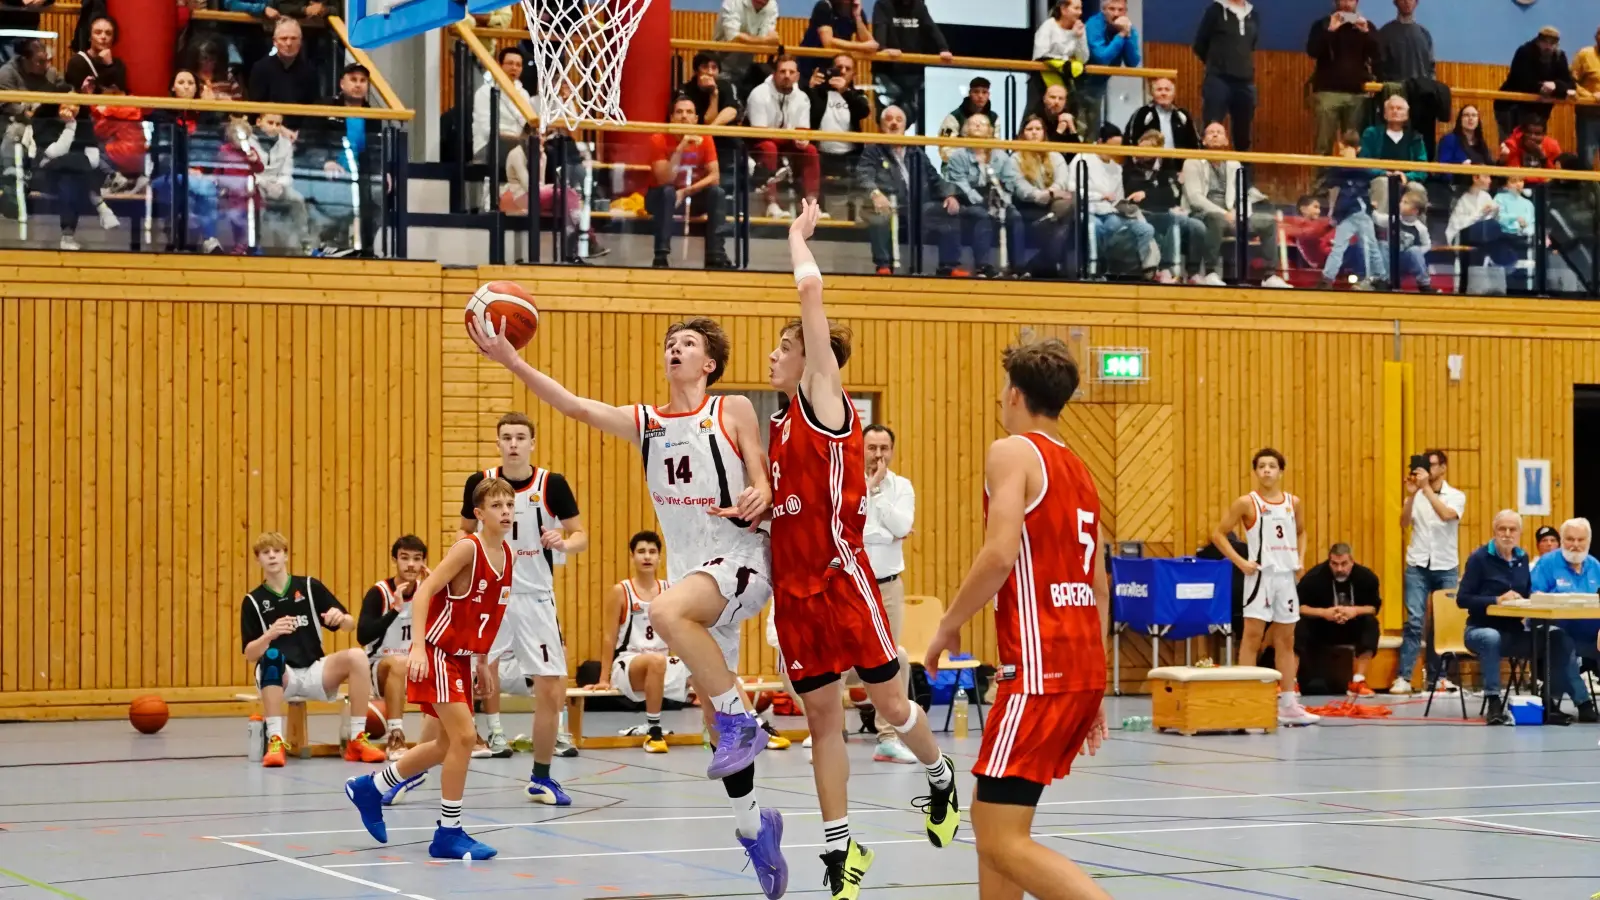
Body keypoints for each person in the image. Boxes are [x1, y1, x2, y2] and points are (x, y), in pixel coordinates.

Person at [466, 310, 787, 898]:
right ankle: (754, 825)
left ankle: (745, 718)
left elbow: (762, 475)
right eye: (669, 342)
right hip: (695, 573)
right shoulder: (646, 422)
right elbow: (574, 406)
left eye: (686, 343)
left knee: (663, 613)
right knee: (715, 725)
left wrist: (761, 491)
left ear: (708, 362)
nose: (674, 348)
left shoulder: (732, 408)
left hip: (740, 555)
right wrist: (512, 361)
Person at [769, 200, 959, 899]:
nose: (775, 354)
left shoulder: (826, 400)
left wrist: (795, 236)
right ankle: (840, 851)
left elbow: (812, 292)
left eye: (784, 346)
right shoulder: (780, 429)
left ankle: (940, 776)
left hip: (841, 579)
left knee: (889, 706)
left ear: (812, 357)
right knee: (822, 718)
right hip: (792, 594)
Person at [926, 336, 1112, 900]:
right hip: (1078, 665)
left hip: (1039, 668)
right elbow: (1099, 586)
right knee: (992, 819)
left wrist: (949, 623)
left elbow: (1000, 553)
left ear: (1013, 394)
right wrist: (1095, 684)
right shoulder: (1079, 468)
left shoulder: (1013, 451)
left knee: (1000, 841)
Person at [345, 478, 516, 861]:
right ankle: (448, 832)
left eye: (510, 504)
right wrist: (418, 647)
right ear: (479, 514)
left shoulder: (509, 556)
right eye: (496, 505)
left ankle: (370, 788)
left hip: (461, 656)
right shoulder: (466, 549)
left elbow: (490, 613)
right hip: (437, 651)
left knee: (443, 745)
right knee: (465, 738)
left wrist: (483, 659)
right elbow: (424, 591)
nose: (505, 511)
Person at [460, 411, 587, 795]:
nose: (513, 443)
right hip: (488, 599)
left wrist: (564, 543)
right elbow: (463, 533)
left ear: (532, 443)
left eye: (520, 437)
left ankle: (541, 777)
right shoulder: (479, 483)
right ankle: (415, 768)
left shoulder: (552, 484)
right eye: (506, 437)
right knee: (455, 686)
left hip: (534, 597)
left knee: (552, 688)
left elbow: (580, 534)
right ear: (497, 443)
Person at [240, 531, 388, 768]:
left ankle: (357, 740)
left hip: (313, 671)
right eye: (266, 553)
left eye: (277, 551)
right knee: (271, 656)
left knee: (357, 656)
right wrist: (270, 634)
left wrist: (340, 618)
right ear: (258, 560)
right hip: (281, 677)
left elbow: (350, 625)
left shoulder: (308, 587)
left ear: (286, 556)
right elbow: (249, 655)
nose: (272, 557)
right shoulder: (253, 600)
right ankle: (275, 741)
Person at [1211, 449, 1319, 726]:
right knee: (1252, 637)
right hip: (1260, 576)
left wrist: (1300, 559)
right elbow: (1218, 534)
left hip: (1286, 578)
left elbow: (1302, 531)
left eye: (1272, 466)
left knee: (1286, 640)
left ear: (1281, 471)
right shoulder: (1247, 503)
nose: (1267, 470)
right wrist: (1240, 561)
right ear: (1256, 472)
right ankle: (1244, 700)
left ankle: (1288, 704)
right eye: (1262, 466)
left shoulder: (1293, 502)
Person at [1460, 510, 1590, 725]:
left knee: (1556, 638)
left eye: (1513, 529)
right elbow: (1462, 599)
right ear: (1494, 531)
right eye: (1502, 529)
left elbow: (1526, 591)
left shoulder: (1522, 558)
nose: (1507, 534)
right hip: (1479, 629)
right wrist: (1495, 599)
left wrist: (1534, 596)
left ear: (1519, 533)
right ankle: (1493, 702)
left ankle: (1549, 703)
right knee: (1491, 638)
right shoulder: (1479, 558)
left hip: (1514, 632)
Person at [593, 530, 687, 752]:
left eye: (652, 552)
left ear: (659, 558)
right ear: (632, 556)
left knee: (708, 668)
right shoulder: (621, 591)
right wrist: (603, 678)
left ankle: (725, 727)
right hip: (629, 663)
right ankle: (653, 730)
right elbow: (609, 636)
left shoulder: (670, 589)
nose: (647, 557)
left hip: (662, 661)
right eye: (641, 551)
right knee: (655, 661)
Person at [859, 424, 915, 762]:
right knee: (835, 659)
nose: (878, 454)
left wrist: (877, 495)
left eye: (884, 448)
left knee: (890, 658)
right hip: (852, 585)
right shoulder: (846, 482)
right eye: (871, 448)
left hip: (889, 585)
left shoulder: (902, 487)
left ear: (891, 450)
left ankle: (888, 737)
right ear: (860, 449)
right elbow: (849, 528)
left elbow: (901, 527)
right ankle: (829, 731)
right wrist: (866, 489)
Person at [856, 104, 966, 277]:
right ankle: (884, 265)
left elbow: (934, 178)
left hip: (919, 206)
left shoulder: (916, 151)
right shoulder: (873, 150)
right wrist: (876, 194)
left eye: (899, 120)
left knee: (948, 212)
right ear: (881, 125)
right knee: (878, 217)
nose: (894, 124)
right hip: (889, 205)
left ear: (905, 126)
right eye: (889, 119)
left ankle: (949, 266)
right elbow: (864, 176)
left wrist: (950, 194)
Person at [1181, 122, 1290, 288]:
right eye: (1211, 133)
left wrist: (1239, 214)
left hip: (1232, 215)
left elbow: (1242, 196)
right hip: (1202, 215)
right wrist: (1224, 213)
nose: (1215, 135)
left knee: (1268, 222)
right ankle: (1210, 273)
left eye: (1219, 132)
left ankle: (1270, 276)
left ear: (1226, 141)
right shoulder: (1192, 162)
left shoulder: (1234, 164)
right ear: (1203, 141)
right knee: (1216, 218)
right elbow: (1195, 197)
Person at [1395, 448, 1464, 694]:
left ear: (1443, 467)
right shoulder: (1415, 496)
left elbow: (1446, 515)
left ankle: (1439, 677)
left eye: (1432, 465)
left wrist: (1425, 490)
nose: (1426, 471)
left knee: (1442, 622)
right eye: (1424, 466)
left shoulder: (1456, 496)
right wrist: (1412, 496)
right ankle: (1404, 677)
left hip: (1445, 565)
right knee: (1414, 621)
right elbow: (1403, 523)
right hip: (1418, 564)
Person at [358, 535, 429, 760]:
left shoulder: (427, 591)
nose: (411, 564)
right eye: (404, 558)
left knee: (451, 665)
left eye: (417, 559)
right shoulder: (379, 593)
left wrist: (438, 592)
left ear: (423, 563)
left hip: (415, 668)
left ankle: (461, 733)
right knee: (399, 664)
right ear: (394, 560)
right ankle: (396, 735)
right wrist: (395, 611)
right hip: (380, 668)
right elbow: (362, 635)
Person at [647, 95, 732, 270]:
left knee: (717, 193)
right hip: (660, 197)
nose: (684, 116)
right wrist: (680, 149)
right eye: (679, 112)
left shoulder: (705, 137)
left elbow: (714, 176)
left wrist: (686, 191)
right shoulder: (658, 138)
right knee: (667, 192)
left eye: (689, 112)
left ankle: (715, 255)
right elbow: (665, 179)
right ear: (671, 118)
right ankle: (661, 256)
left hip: (690, 196)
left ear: (696, 119)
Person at [1528, 517, 1600, 721]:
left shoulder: (1595, 566)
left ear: (1588, 541)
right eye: (1570, 539)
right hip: (1552, 629)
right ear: (1562, 540)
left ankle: (1549, 696)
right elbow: (1535, 597)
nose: (1575, 545)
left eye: (1580, 540)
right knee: (1562, 644)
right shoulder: (1547, 563)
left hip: (1589, 633)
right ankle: (1584, 702)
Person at [1295, 543, 1382, 695]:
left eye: (1344, 564)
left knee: (1371, 624)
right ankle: (1291, 683)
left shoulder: (1366, 577)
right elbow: (1299, 607)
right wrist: (1323, 613)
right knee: (1297, 625)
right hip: (1321, 626)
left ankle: (1358, 681)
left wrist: (1354, 611)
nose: (1339, 569)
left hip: (1352, 626)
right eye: (1334, 564)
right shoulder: (1314, 577)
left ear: (1352, 561)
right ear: (1329, 562)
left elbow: (1373, 608)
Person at [1125, 128, 1205, 284]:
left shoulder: (1164, 167)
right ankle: (1166, 270)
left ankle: (1193, 273)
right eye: (1141, 148)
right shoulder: (1129, 168)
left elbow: (1170, 196)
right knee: (1171, 220)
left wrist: (1148, 193)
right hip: (1143, 215)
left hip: (1166, 211)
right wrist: (1156, 193)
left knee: (1198, 226)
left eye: (1150, 149)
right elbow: (1134, 195)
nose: (1143, 153)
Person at [746, 56, 819, 219]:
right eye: (782, 71)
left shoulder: (802, 98)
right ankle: (771, 203)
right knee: (769, 148)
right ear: (774, 74)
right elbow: (760, 132)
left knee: (810, 150)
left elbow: (803, 130)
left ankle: (810, 204)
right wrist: (793, 136)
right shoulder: (759, 94)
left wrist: (802, 139)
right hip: (758, 142)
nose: (787, 75)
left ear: (797, 76)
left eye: (791, 72)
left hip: (787, 141)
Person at [941, 113, 1011, 279]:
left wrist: (1003, 201)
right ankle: (983, 266)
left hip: (995, 200)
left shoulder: (1000, 156)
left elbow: (1009, 182)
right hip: (967, 201)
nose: (978, 125)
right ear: (965, 130)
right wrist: (982, 202)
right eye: (973, 123)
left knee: (1014, 215)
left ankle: (1018, 269)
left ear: (990, 130)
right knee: (981, 214)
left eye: (983, 123)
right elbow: (960, 184)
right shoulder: (958, 155)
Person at [1006, 114, 1076, 278]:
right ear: (1023, 134)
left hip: (1054, 207)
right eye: (1030, 129)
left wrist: (1052, 192)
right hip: (1027, 207)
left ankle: (1034, 264)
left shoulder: (1055, 155)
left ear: (1044, 133)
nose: (1034, 133)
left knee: (1072, 201)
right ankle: (1045, 264)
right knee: (1063, 223)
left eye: (1038, 129)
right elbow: (1022, 190)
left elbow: (1062, 181)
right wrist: (1050, 193)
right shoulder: (1015, 158)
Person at [1307, 0, 1379, 155]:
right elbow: (1312, 51)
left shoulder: (1367, 26)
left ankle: (1354, 179)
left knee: (1355, 144)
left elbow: (1378, 55)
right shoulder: (1322, 25)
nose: (1347, 3)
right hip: (1327, 93)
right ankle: (1321, 179)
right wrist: (1330, 30)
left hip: (1357, 94)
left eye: (1351, 0)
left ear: (1357, 2)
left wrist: (1366, 32)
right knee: (1323, 143)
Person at [1317, 129, 1386, 290]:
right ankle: (1327, 278)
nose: (1346, 153)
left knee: (1368, 245)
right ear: (1340, 148)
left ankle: (1375, 278)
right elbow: (1333, 189)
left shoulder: (1363, 167)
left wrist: (1390, 172)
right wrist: (1332, 212)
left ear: (1358, 150)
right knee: (1344, 246)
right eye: (1344, 149)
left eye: (1350, 149)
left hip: (1360, 210)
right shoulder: (1337, 168)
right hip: (1346, 213)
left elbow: (1377, 173)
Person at [871, 0, 953, 134]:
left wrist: (943, 48)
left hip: (912, 74)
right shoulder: (884, 4)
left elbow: (931, 27)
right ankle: (883, 154)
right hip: (887, 73)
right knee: (887, 119)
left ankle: (902, 154)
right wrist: (883, 48)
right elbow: (880, 27)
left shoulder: (919, 5)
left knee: (908, 118)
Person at [1192, 0, 1261, 152]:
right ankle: (1207, 172)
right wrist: (1217, 63)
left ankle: (1243, 173)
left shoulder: (1253, 15)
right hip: (1219, 80)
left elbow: (1251, 45)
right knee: (1212, 128)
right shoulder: (1215, 11)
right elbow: (1200, 44)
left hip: (1245, 82)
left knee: (1243, 134)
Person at [807, 53, 870, 199]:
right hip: (820, 154)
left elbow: (863, 111)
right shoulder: (818, 92)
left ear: (853, 74)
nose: (842, 71)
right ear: (831, 69)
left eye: (847, 68)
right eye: (838, 67)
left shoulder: (857, 94)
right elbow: (806, 112)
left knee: (851, 194)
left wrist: (845, 91)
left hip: (849, 157)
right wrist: (810, 88)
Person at [1496, 26, 1577, 138]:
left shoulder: (1559, 56)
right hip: (1512, 106)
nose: (1548, 46)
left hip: (1539, 110)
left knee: (1535, 145)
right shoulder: (1525, 51)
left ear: (1557, 44)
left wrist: (1555, 85)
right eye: (1545, 42)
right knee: (1512, 145)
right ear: (1538, 41)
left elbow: (1570, 83)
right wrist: (1543, 88)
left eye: (1552, 43)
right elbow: (1521, 81)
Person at [1081, 0, 1142, 140]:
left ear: (1125, 11)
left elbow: (1133, 62)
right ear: (1104, 10)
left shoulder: (1128, 28)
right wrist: (1121, 36)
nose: (1116, 14)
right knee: (1081, 131)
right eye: (1111, 9)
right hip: (1078, 84)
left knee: (1092, 132)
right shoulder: (1094, 24)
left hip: (1098, 85)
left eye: (1120, 10)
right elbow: (1102, 58)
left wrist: (1127, 34)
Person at [472, 46, 535, 169]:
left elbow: (525, 125)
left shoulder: (524, 94)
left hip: (518, 145)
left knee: (545, 151)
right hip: (489, 145)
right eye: (510, 63)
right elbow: (487, 130)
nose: (514, 68)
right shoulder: (485, 92)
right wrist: (518, 139)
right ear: (499, 65)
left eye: (518, 65)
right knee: (511, 148)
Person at [1031, 0, 1089, 132]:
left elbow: (1083, 58)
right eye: (1076, 8)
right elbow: (1042, 54)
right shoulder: (1048, 26)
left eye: (1080, 8)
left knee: (1068, 117)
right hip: (1042, 78)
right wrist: (1071, 39)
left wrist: (1078, 37)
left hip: (1066, 79)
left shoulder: (1079, 28)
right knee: (1036, 117)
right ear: (1063, 9)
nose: (1080, 12)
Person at [247, 18, 320, 113]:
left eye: (293, 38)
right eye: (284, 38)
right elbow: (255, 108)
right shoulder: (260, 69)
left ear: (300, 41)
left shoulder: (310, 71)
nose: (289, 43)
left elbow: (314, 109)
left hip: (300, 127)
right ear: (274, 41)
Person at [800, 0, 876, 85]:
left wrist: (857, 17)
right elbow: (828, 42)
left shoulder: (856, 10)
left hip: (838, 66)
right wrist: (863, 46)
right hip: (812, 66)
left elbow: (871, 44)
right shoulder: (824, 6)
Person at [1359, 94, 1428, 186]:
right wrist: (1382, 173)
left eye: (1399, 108)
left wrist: (1406, 177)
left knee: (1417, 189)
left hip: (1407, 181)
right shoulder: (1371, 134)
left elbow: (1422, 168)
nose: (1395, 111)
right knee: (1382, 182)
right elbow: (1364, 162)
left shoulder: (1415, 138)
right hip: (1377, 179)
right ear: (1385, 114)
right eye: (1391, 108)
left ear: (1407, 115)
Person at [713, 0, 779, 87]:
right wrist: (766, 40)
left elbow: (764, 42)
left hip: (745, 69)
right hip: (721, 66)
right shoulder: (733, 2)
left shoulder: (772, 5)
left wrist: (758, 40)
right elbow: (734, 37)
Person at [1124, 77, 1199, 152]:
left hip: (1179, 161)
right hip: (1149, 161)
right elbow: (1129, 140)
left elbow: (1195, 143)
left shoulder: (1182, 115)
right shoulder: (1142, 113)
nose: (1163, 93)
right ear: (1152, 93)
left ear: (1174, 94)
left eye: (1167, 90)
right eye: (1159, 89)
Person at [937, 77, 999, 159]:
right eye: (976, 92)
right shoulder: (954, 117)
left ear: (988, 95)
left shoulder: (994, 118)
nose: (980, 96)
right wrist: (966, 161)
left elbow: (997, 147)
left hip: (986, 166)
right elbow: (945, 148)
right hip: (957, 167)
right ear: (970, 93)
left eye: (984, 92)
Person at [1376, 0, 1434, 85]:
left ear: (1416, 3)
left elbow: (1431, 68)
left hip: (1421, 92)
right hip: (1394, 92)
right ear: (1395, 2)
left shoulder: (1424, 34)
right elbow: (1379, 68)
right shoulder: (1385, 33)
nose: (1407, 1)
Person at [1027, 83, 1083, 148]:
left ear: (1065, 102)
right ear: (1044, 99)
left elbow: (1077, 155)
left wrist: (1072, 127)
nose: (1056, 102)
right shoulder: (1034, 119)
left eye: (1061, 98)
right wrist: (1059, 131)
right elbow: (1045, 153)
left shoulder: (1068, 118)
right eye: (1053, 97)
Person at [1576, 26, 1600, 169]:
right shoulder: (1585, 54)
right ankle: (1587, 192)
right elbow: (1571, 82)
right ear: (1596, 37)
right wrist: (1591, 96)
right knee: (1587, 161)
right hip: (1589, 115)